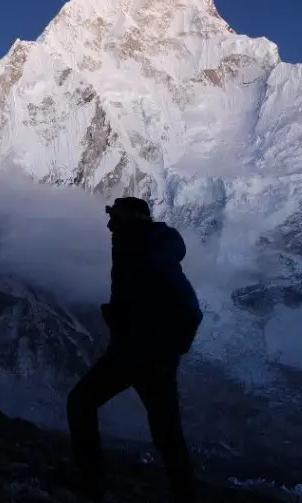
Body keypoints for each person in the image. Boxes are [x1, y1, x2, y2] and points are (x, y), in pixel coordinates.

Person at [66, 197, 203, 503]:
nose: (109, 225)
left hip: (143, 355)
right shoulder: (136, 250)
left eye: (115, 218)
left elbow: (191, 310)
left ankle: (92, 482)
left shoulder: (147, 255)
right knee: (167, 432)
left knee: (81, 403)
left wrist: (168, 352)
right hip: (140, 353)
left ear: (130, 220)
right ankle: (185, 494)